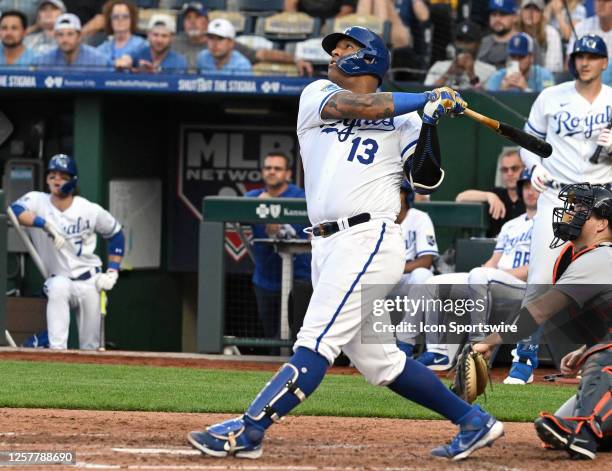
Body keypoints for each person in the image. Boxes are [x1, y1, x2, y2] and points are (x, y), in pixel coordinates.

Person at [188, 26, 504, 461]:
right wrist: (428, 97)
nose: (334, 53)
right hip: (325, 244)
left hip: (368, 237)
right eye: (334, 48)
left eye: (346, 48)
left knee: (314, 340)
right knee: (381, 362)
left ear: (370, 58)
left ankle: (249, 429)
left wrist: (429, 121)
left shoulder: (407, 117)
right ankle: (474, 421)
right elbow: (356, 105)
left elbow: (425, 177)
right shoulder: (317, 93)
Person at [473, 183, 612, 460]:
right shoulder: (582, 258)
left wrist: (487, 343)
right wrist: (586, 351)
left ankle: (586, 431)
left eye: (581, 209)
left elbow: (538, 312)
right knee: (561, 424)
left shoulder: (600, 257)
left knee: (599, 371)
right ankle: (588, 427)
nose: (570, 212)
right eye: (572, 207)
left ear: (601, 225)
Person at [505, 34, 611, 385]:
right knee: (539, 277)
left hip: (604, 201)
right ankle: (524, 358)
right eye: (579, 56)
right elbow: (528, 142)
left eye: (592, 57)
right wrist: (533, 168)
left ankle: (601, 358)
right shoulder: (551, 97)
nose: (584, 62)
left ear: (604, 63)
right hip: (558, 196)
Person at [397, 170, 537, 369]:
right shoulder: (511, 225)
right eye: (526, 186)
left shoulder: (548, 225)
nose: (530, 192)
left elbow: (536, 268)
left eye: (534, 187)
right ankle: (437, 352)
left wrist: (492, 275)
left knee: (480, 275)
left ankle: (476, 348)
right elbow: (494, 261)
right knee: (430, 283)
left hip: (521, 286)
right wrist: (483, 272)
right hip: (496, 279)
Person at [8, 154, 125, 350]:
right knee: (58, 288)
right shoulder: (38, 200)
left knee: (91, 346)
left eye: (62, 176)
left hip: (90, 280)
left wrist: (113, 270)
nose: (56, 180)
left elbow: (116, 234)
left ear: (73, 181)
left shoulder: (88, 209)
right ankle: (56, 356)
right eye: (52, 175)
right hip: (59, 277)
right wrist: (44, 224)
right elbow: (15, 210)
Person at [245, 152, 311, 344]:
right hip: (266, 279)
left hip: (298, 277)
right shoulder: (254, 196)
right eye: (268, 168)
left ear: (288, 174)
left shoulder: (300, 196)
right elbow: (236, 212)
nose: (272, 172)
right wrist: (262, 204)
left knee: (297, 336)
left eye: (277, 168)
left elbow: (302, 233)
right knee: (271, 337)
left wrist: (276, 218)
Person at [174, 3, 312, 76]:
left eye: (197, 18)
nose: (192, 22)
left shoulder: (228, 46)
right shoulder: (171, 42)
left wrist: (295, 59)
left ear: (207, 21)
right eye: (188, 18)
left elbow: (262, 54)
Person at [455, 148, 525, 237]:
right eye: (505, 170)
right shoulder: (497, 194)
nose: (509, 173)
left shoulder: (531, 197)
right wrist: (489, 196)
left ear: (524, 168)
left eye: (514, 168)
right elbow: (460, 198)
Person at [425, 20, 496, 90]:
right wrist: (448, 74)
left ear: (478, 44)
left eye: (468, 41)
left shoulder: (489, 70)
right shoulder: (439, 66)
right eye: (460, 40)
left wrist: (472, 76)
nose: (463, 45)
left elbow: (489, 99)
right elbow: (427, 96)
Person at [396, 180, 438, 285]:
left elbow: (426, 261)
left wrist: (393, 271)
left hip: (408, 277)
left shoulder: (420, 218)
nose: (393, 197)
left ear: (407, 196)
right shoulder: (378, 221)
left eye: (399, 192)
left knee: (422, 275)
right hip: (386, 279)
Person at [34, 13, 111, 68]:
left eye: (70, 34)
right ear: (55, 37)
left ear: (79, 36)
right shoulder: (44, 60)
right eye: (60, 35)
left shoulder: (97, 59)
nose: (65, 39)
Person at [486, 32, 555, 92]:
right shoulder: (497, 76)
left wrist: (526, 89)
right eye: (513, 56)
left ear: (531, 58)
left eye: (521, 57)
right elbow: (488, 103)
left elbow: (549, 101)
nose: (516, 61)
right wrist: (502, 91)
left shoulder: (544, 75)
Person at [122, 14, 187, 73]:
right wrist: (129, 66)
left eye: (164, 36)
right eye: (155, 35)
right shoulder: (139, 53)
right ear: (148, 35)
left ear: (172, 38)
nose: (159, 40)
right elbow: (123, 62)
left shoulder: (179, 61)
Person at [517, 0, 563, 73]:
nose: (530, 13)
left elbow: (554, 68)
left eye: (535, 9)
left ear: (542, 14)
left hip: (544, 79)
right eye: (527, 8)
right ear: (521, 12)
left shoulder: (551, 33)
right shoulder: (515, 34)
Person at [96, 0, 145, 66]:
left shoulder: (143, 45)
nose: (120, 20)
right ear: (109, 20)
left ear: (132, 19)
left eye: (125, 16)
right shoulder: (102, 49)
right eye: (115, 17)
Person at [477, 0, 519, 69]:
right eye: (493, 14)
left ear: (515, 17)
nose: (497, 19)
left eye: (503, 14)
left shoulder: (526, 42)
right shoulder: (483, 42)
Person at [284, 0, 356, 20]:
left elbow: (347, 9)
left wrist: (329, 26)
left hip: (333, 22)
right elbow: (290, 5)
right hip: (304, 23)